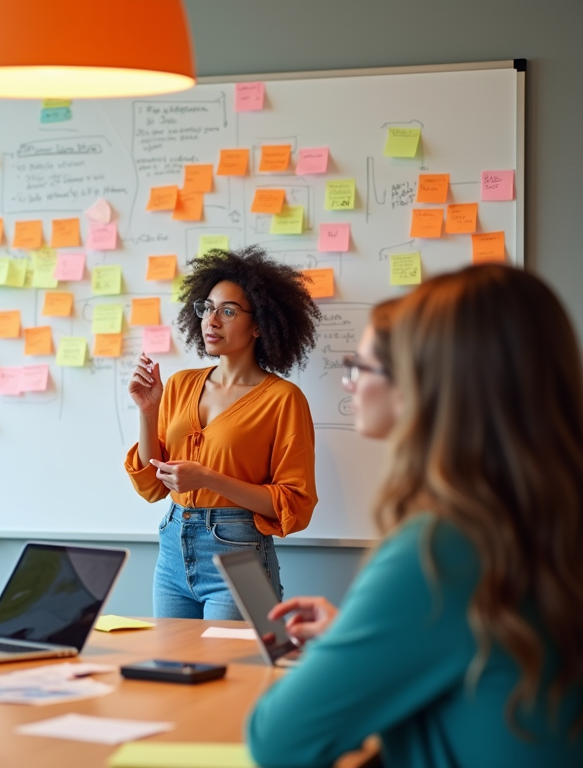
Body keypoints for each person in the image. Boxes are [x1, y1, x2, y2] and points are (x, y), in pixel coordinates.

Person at [248, 265, 583, 767]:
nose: (350, 384)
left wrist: (346, 648)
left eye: (361, 366)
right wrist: (362, 635)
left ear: (422, 387)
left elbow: (278, 740)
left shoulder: (442, 547)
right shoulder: (546, 517)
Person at [125, 247, 322, 617]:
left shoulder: (283, 399)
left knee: (235, 673)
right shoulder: (182, 384)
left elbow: (293, 503)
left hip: (239, 555)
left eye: (228, 311)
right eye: (207, 308)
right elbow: (152, 487)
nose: (212, 320)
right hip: (172, 552)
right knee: (170, 670)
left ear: (259, 324)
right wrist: (148, 411)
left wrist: (208, 479)